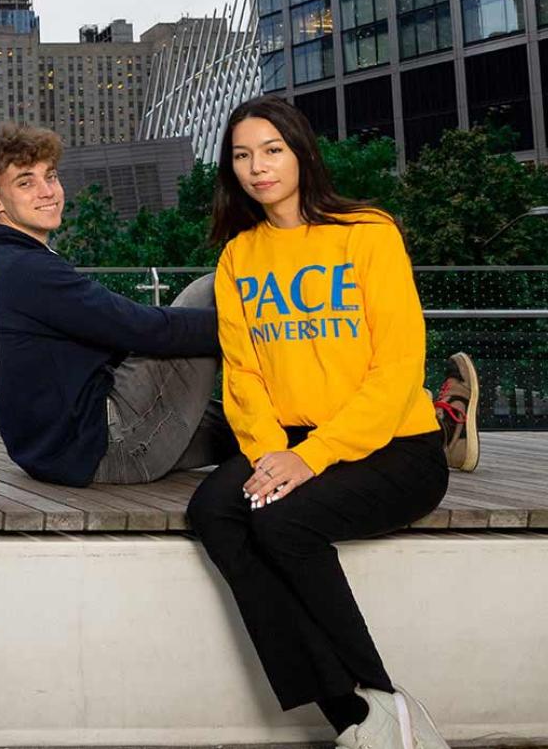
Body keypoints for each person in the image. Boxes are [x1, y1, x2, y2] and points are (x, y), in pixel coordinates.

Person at [187, 96, 466, 749]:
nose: (257, 167)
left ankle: (382, 707)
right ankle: (359, 718)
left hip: (396, 446)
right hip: (295, 442)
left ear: (301, 151)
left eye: (271, 149)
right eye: (242, 155)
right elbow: (245, 377)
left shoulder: (367, 233)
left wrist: (311, 458)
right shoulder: (239, 257)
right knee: (214, 509)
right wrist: (265, 456)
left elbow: (397, 368)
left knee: (282, 520)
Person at [0, 122, 237, 485]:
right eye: (26, 182)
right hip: (108, 446)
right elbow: (140, 328)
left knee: (246, 429)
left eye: (51, 176)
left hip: (57, 452)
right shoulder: (26, 269)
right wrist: (249, 326)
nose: (47, 192)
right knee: (213, 290)